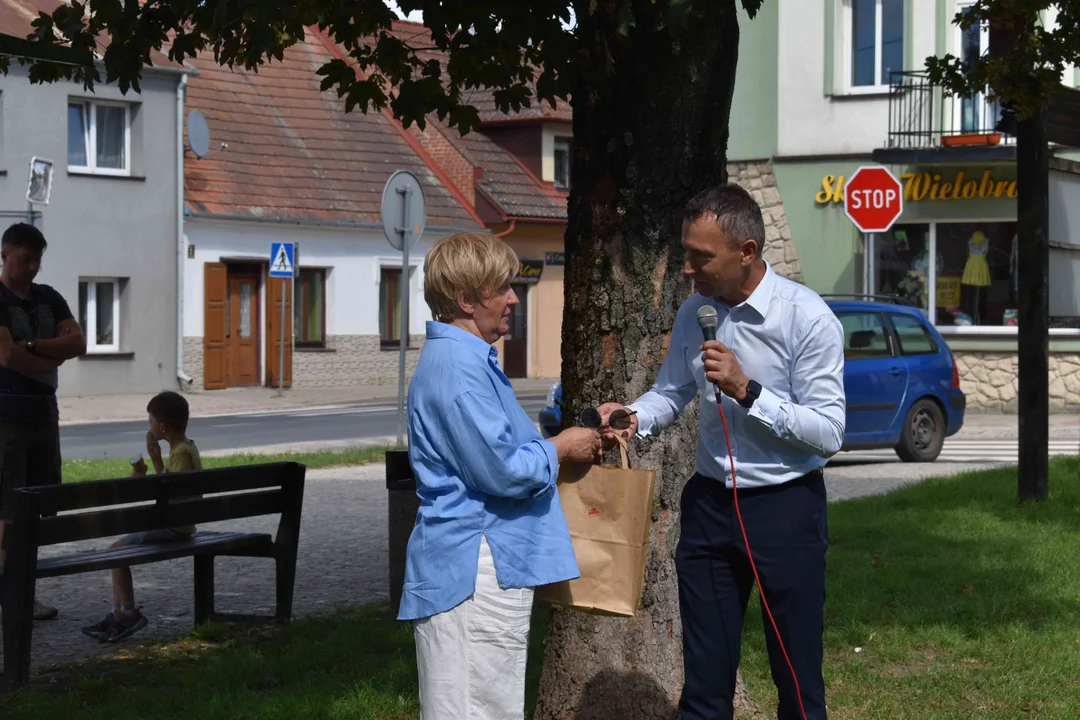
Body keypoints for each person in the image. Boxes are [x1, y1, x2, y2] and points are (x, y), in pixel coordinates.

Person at [598, 185, 845, 720]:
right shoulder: (695, 311)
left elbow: (828, 432)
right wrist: (634, 418)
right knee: (706, 684)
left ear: (748, 252)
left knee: (797, 682)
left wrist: (748, 392)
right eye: (686, 252)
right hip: (710, 508)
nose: (687, 267)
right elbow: (671, 391)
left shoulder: (807, 318)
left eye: (701, 256)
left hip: (785, 508)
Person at [400, 231, 601, 719]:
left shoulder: (467, 361)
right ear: (466, 299)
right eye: (501, 288)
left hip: (482, 563)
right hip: (474, 567)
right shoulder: (458, 370)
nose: (514, 297)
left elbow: (504, 451)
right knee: (476, 709)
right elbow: (505, 472)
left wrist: (582, 431)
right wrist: (562, 445)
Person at [0, 222, 87, 621]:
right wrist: (53, 357)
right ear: (4, 256)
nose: (32, 267)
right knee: (6, 512)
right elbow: (6, 357)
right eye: (24, 259)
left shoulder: (48, 299)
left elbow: (79, 343)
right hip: (7, 419)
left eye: (37, 260)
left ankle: (24, 594)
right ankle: (9, 595)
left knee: (35, 508)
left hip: (43, 416)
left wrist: (32, 345)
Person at [81, 391, 203, 643]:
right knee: (115, 549)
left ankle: (127, 614)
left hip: (174, 526)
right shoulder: (186, 448)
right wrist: (156, 460)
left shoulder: (180, 454)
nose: (148, 427)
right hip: (180, 524)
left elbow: (175, 497)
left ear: (161, 426)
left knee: (115, 551)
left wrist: (140, 480)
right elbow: (171, 487)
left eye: (149, 422)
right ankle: (119, 613)